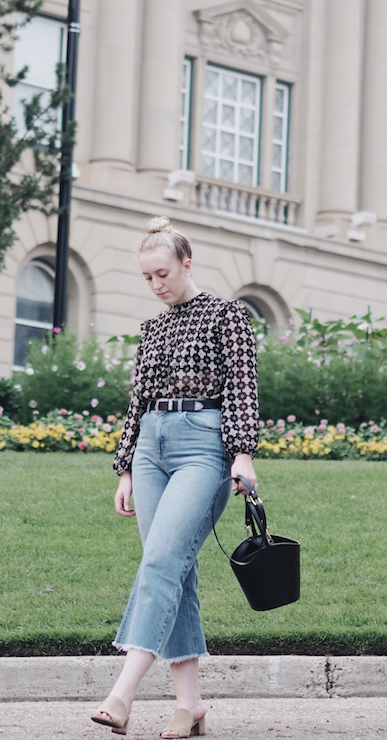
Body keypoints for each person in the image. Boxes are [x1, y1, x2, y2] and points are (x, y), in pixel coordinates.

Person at [90, 216, 259, 738]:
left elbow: (242, 388)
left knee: (162, 561)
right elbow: (136, 403)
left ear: (188, 263)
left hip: (202, 447)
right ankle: (190, 705)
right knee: (173, 572)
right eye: (147, 278)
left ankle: (123, 692)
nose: (156, 284)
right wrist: (124, 469)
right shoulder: (153, 328)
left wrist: (243, 454)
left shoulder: (227, 316)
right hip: (150, 449)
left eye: (162, 273)